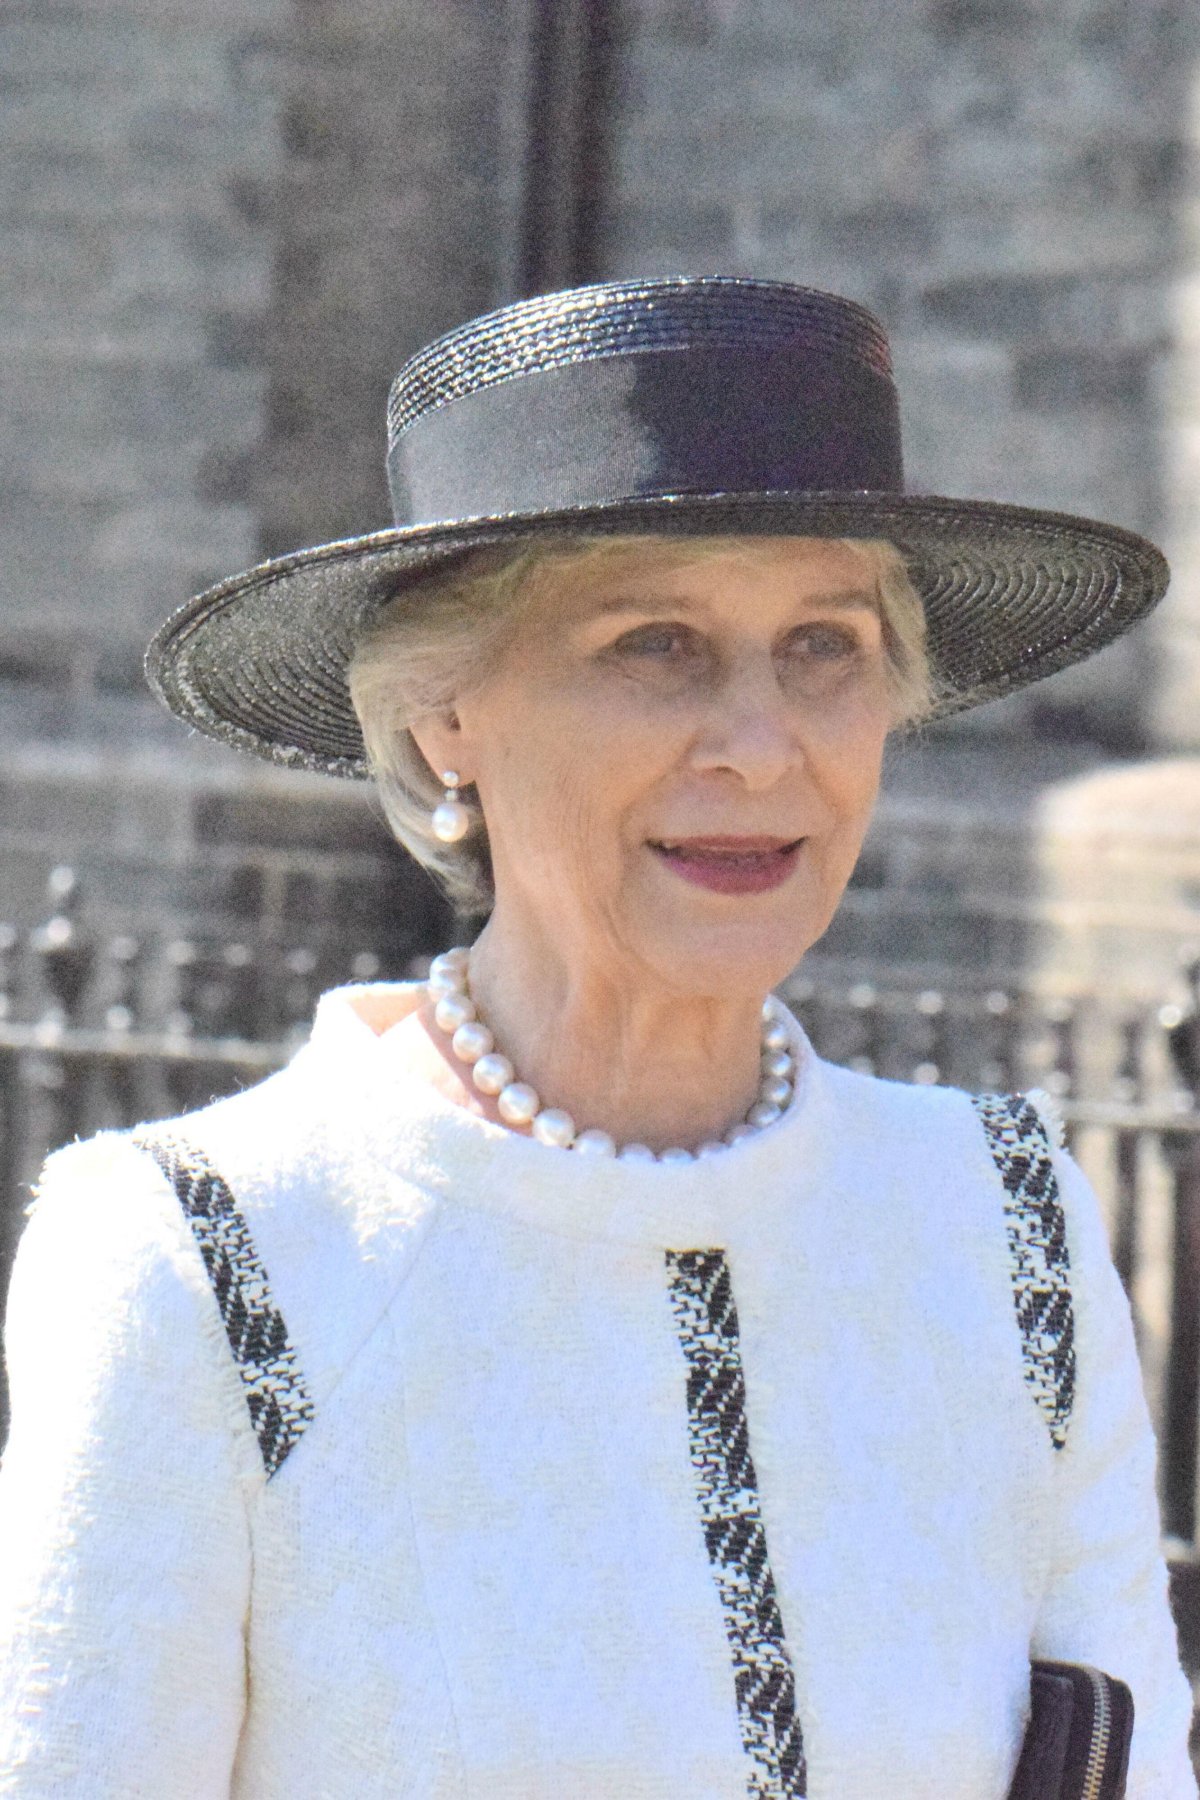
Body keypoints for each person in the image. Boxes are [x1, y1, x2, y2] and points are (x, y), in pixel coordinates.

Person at [0, 276, 1193, 1799]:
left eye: (823, 644)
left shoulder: (1004, 1223)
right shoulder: (210, 1255)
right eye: (656, 643)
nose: (760, 745)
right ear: (445, 717)